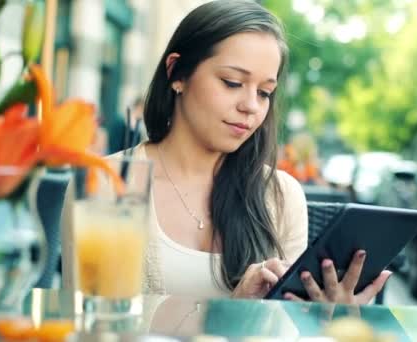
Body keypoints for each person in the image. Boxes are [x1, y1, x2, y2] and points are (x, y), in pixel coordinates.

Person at [63, 0, 390, 304]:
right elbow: (86, 324)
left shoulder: (281, 196)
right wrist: (232, 316)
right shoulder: (103, 184)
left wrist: (324, 318)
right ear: (177, 73)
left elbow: (287, 330)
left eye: (264, 93)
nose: (250, 106)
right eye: (232, 82)